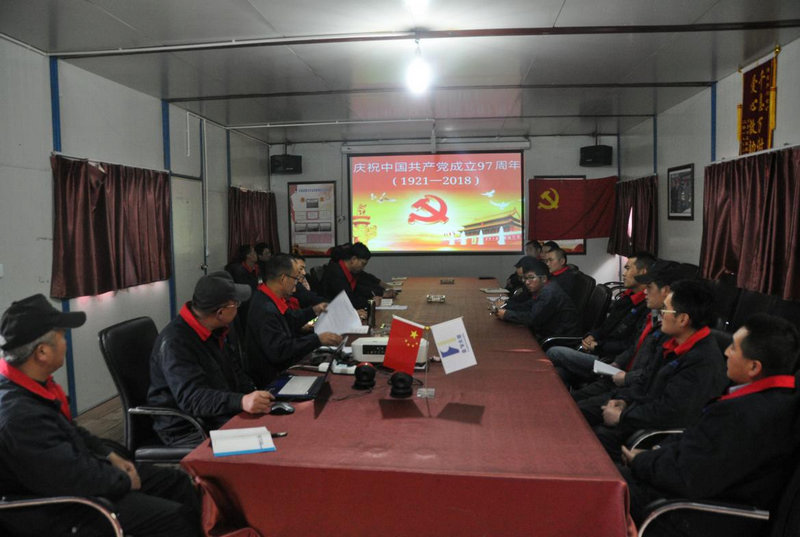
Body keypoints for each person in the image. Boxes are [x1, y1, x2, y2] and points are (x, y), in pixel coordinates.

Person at [0, 294, 201, 537]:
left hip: (79, 477)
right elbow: (69, 478)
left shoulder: (30, 385)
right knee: (177, 519)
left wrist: (109, 455)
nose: (66, 341)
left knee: (177, 483)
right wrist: (122, 480)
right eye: (62, 335)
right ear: (42, 352)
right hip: (58, 509)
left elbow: (71, 431)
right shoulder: (20, 417)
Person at [621, 313, 800, 534]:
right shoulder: (774, 399)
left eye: (733, 348)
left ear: (754, 367)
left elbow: (688, 475)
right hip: (684, 488)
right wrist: (656, 452)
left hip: (691, 512)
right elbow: (697, 443)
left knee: (605, 486)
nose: (726, 352)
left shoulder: (746, 414)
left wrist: (640, 460)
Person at [586, 279, 729, 462]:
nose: (660, 315)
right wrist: (623, 400)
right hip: (637, 411)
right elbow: (644, 381)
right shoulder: (671, 343)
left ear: (683, 319)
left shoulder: (703, 362)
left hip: (654, 433)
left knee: (591, 436)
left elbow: (671, 412)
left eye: (665, 310)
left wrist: (623, 416)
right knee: (579, 411)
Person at [148, 272, 274, 447]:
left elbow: (234, 370)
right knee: (265, 448)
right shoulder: (176, 342)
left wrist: (253, 394)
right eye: (236, 304)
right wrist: (241, 401)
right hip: (189, 428)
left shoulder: (214, 329)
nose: (238, 308)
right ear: (221, 312)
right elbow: (192, 398)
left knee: (279, 430)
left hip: (216, 416)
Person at [571, 259, 679, 402]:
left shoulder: (669, 328)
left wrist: (625, 378)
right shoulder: (651, 315)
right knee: (570, 399)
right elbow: (633, 346)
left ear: (665, 291)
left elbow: (652, 373)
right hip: (619, 374)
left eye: (649, 287)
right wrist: (617, 363)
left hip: (630, 387)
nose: (645, 291)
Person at [546, 252, 655, 386]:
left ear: (643, 272)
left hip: (610, 360)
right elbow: (606, 325)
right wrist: (593, 335)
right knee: (559, 373)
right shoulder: (626, 298)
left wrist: (598, 346)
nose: (624, 274)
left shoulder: (646, 307)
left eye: (628, 268)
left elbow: (629, 345)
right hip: (600, 350)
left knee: (553, 352)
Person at [246, 254, 342, 387]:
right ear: (283, 279)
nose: (297, 285)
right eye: (296, 279)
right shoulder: (265, 309)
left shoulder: (268, 297)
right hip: (273, 380)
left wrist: (314, 310)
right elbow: (280, 350)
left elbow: (290, 318)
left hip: (282, 368)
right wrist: (317, 339)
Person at [494, 259, 581, 340]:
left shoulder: (549, 292)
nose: (527, 282)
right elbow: (527, 306)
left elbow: (533, 319)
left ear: (543, 279)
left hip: (559, 338)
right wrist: (506, 305)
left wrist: (507, 315)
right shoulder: (544, 288)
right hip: (548, 332)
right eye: (525, 278)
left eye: (531, 278)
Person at [321, 242, 391, 310]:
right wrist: (370, 302)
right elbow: (348, 300)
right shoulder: (336, 274)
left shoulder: (348, 270)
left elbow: (361, 288)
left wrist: (379, 293)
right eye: (362, 264)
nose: (363, 268)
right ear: (353, 259)